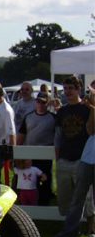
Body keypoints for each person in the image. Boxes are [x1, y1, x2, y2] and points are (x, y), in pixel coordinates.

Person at [54, 76, 93, 229]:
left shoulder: (87, 110)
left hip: (82, 159)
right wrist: (57, 158)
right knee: (65, 197)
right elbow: (57, 136)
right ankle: (70, 228)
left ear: (79, 89)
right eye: (66, 88)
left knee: (86, 197)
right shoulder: (62, 111)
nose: (68, 91)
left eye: (71, 88)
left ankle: (90, 228)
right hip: (64, 159)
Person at [17, 92, 56, 204]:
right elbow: (21, 136)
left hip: (46, 155)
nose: (40, 104)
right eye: (38, 101)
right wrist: (16, 153)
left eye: (43, 102)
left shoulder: (53, 118)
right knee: (28, 180)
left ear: (47, 103)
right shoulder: (28, 117)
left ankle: (44, 202)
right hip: (29, 155)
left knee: (45, 179)